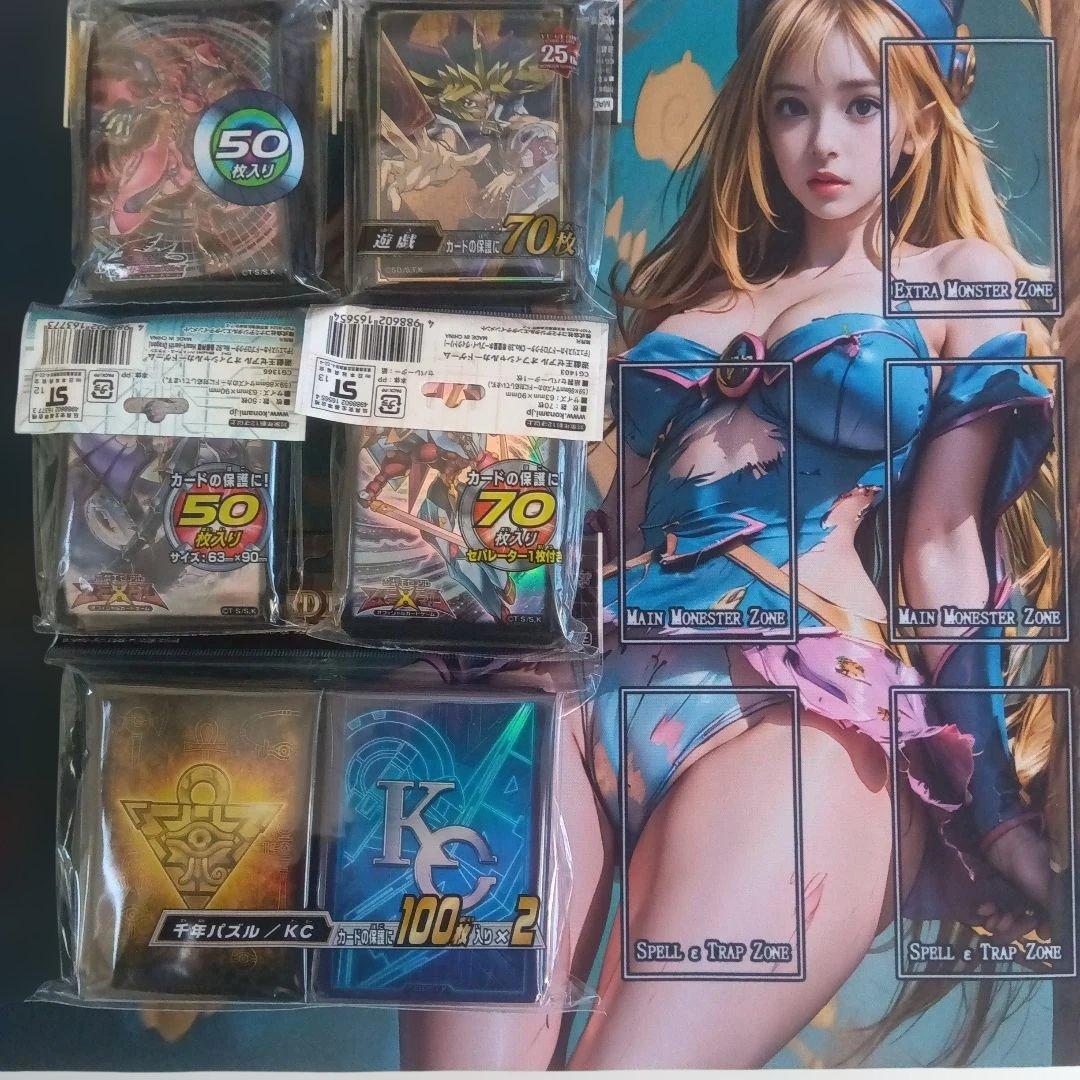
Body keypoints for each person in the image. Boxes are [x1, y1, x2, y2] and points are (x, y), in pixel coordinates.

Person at [398, 0, 1064, 1067]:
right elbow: (612, 516)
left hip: (787, 707)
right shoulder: (697, 290)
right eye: (793, 108)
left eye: (861, 105)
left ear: (922, 119)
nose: (823, 142)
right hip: (568, 691)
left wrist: (996, 815)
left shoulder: (954, 276)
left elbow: (942, 548)